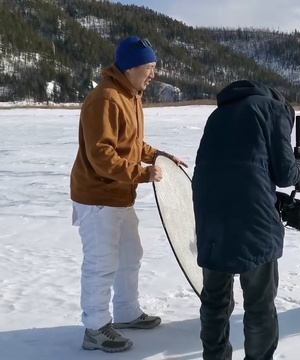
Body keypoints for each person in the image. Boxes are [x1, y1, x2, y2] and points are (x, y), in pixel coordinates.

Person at [70, 36, 185, 353]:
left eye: (154, 68)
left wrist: (159, 156)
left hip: (119, 195)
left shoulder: (129, 95)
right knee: (101, 263)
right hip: (97, 197)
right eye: (149, 68)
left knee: (130, 255)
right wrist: (142, 174)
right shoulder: (106, 99)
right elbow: (102, 156)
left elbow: (131, 145)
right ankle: (95, 328)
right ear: (131, 67)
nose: (153, 75)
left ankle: (125, 312)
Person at [193, 80, 300, 360]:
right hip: (252, 218)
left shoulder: (218, 114)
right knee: (259, 303)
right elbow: (283, 172)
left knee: (215, 300)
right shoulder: (274, 109)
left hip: (209, 212)